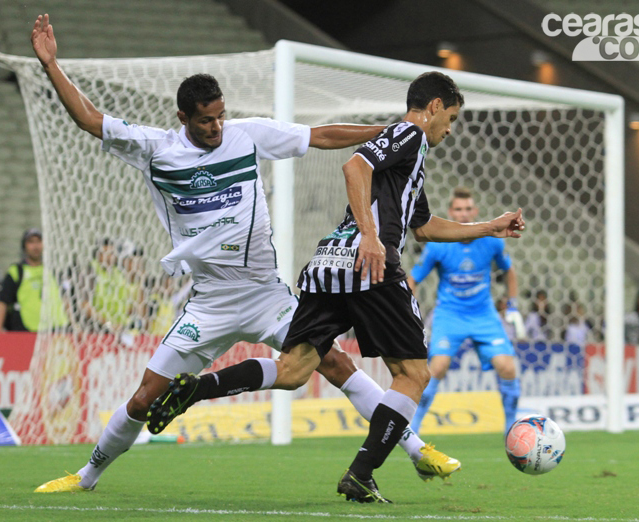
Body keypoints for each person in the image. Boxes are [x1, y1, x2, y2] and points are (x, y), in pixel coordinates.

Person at [30, 14, 458, 493]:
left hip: (264, 293)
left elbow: (319, 135)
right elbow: (90, 118)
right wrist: (51, 64)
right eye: (205, 121)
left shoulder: (246, 133)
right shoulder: (156, 149)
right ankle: (86, 476)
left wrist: (385, 133)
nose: (216, 127)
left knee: (335, 365)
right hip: (209, 301)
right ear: (183, 119)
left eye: (219, 116)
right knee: (143, 400)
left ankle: (419, 450)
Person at [147, 71, 525, 503]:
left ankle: (199, 388)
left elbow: (422, 227)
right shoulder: (408, 132)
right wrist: (369, 233)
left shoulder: (411, 161)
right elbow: (354, 165)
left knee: (293, 370)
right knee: (414, 374)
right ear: (434, 107)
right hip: (369, 261)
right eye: (452, 117)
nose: (450, 129)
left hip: (330, 262)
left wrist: (490, 226)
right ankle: (362, 472)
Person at [406, 186, 523, 437]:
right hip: (450, 314)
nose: (463, 213)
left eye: (468, 208)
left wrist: (512, 305)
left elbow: (509, 272)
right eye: (458, 209)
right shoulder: (438, 245)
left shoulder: (491, 241)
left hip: (483, 313)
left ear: (476, 211)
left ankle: (511, 427)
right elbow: (413, 279)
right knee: (437, 367)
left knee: (508, 367)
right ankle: (412, 427)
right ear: (450, 212)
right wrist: (411, 310)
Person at [0, 228, 68, 332]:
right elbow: (2, 302)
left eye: (38, 241)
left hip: (54, 330)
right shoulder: (17, 271)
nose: (35, 246)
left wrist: (74, 324)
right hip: (25, 329)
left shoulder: (52, 271)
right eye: (31, 242)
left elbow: (64, 300)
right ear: (24, 246)